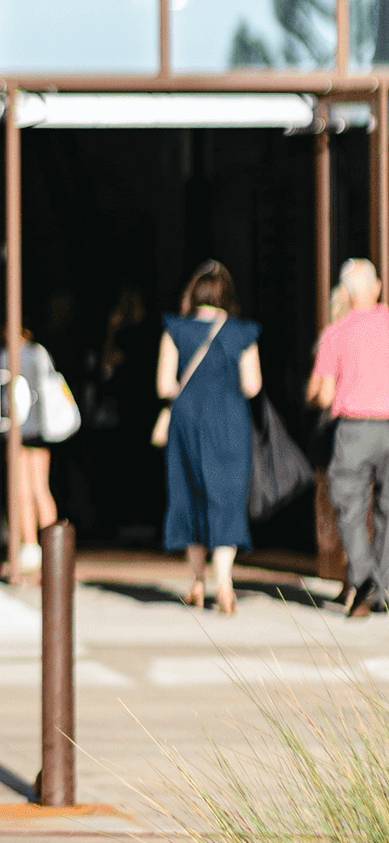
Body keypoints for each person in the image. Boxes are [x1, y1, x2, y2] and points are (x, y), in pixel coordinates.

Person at [157, 260, 262, 616]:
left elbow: (164, 384)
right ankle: (226, 585)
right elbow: (252, 384)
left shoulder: (175, 330)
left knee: (190, 496)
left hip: (187, 422)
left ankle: (198, 583)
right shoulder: (241, 333)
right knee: (227, 499)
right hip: (230, 422)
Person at [309, 258, 389, 617]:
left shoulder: (336, 333)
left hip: (355, 428)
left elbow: (324, 397)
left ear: (344, 293)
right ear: (377, 288)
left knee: (351, 507)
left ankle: (362, 576)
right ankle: (384, 587)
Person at [9, 329, 65, 575]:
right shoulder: (37, 353)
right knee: (38, 488)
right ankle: (49, 547)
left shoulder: (8, 356)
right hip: (38, 427)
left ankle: (33, 545)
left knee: (27, 489)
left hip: (24, 429)